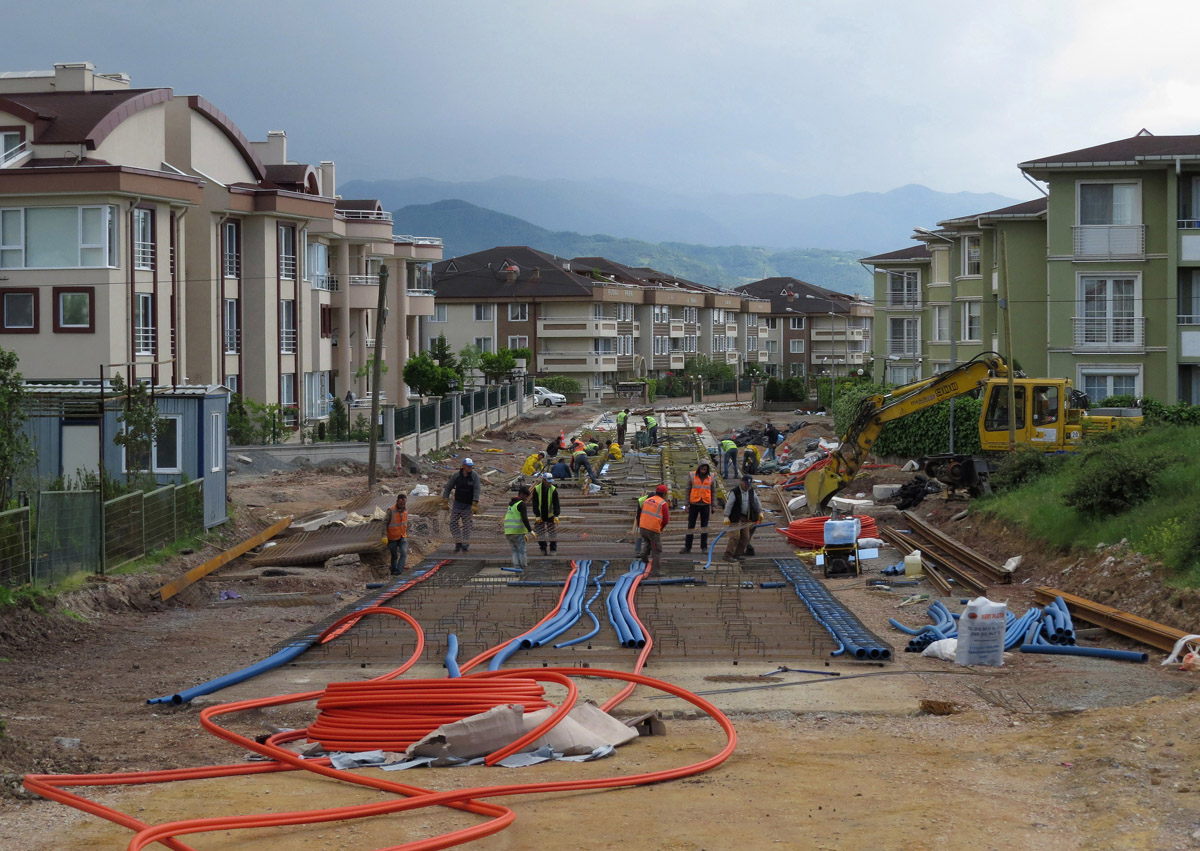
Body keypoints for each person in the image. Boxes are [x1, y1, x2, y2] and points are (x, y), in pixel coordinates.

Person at [441, 458, 481, 553]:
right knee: (453, 523)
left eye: (471, 466)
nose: (470, 468)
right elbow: (448, 487)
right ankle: (458, 541)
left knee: (467, 525)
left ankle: (465, 544)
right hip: (458, 503)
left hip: (468, 504)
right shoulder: (456, 476)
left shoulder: (474, 476)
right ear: (463, 466)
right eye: (468, 466)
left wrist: (475, 502)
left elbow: (477, 489)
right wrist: (445, 500)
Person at [723, 475, 763, 562]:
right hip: (735, 517)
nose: (747, 486)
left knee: (745, 536)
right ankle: (728, 554)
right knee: (735, 536)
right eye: (745, 484)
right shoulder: (735, 492)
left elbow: (756, 502)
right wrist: (726, 516)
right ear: (742, 482)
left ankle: (738, 553)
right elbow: (729, 504)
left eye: (748, 485)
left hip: (746, 517)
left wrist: (760, 511)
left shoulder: (751, 491)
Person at [681, 462, 714, 554]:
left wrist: (713, 505)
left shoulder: (711, 476)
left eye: (705, 469)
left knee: (704, 527)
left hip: (705, 504)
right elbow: (688, 490)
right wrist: (686, 504)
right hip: (694, 504)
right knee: (691, 526)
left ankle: (704, 547)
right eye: (702, 469)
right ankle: (687, 547)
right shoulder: (692, 475)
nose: (703, 471)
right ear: (699, 468)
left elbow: (713, 492)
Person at [637, 483, 670, 571]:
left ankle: (644, 553)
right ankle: (656, 571)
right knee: (657, 550)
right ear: (664, 494)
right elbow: (666, 520)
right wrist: (660, 529)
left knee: (647, 541)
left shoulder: (647, 500)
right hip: (653, 529)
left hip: (643, 527)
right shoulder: (663, 503)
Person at [504, 485, 534, 570]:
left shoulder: (511, 504)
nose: (526, 499)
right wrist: (530, 530)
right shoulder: (521, 504)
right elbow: (524, 518)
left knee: (515, 551)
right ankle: (524, 568)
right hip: (517, 531)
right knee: (522, 551)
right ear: (521, 494)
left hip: (508, 531)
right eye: (525, 496)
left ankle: (517, 568)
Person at [531, 472, 560, 555]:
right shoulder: (537, 489)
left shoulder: (553, 490)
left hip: (550, 515)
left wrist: (556, 515)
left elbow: (556, 503)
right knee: (540, 532)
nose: (550, 483)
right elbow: (535, 503)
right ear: (543, 480)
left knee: (552, 532)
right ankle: (543, 549)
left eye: (551, 481)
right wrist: (537, 515)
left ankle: (553, 549)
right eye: (548, 481)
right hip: (540, 514)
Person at [383, 493, 408, 576]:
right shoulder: (391, 511)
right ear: (397, 501)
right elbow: (384, 523)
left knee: (403, 553)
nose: (402, 505)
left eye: (403, 504)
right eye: (401, 504)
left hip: (402, 536)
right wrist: (384, 536)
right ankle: (393, 570)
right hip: (392, 537)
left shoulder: (405, 510)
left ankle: (399, 571)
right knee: (394, 555)